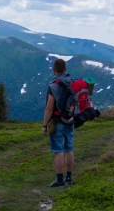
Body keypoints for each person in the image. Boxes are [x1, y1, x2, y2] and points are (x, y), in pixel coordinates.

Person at [42, 59, 74, 187]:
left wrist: (45, 125)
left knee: (58, 151)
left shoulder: (53, 85)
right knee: (69, 150)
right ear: (65, 69)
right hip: (70, 121)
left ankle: (59, 180)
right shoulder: (72, 83)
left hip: (58, 122)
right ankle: (69, 179)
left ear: (54, 70)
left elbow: (49, 108)